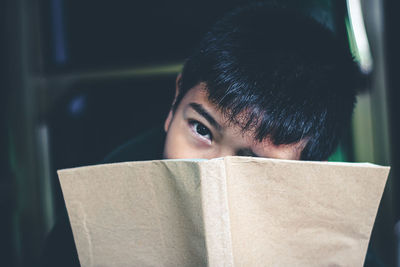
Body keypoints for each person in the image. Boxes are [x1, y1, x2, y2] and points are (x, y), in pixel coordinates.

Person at [41, 3, 367, 266]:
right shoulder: (96, 217)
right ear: (175, 103)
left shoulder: (332, 238)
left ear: (310, 178)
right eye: (201, 130)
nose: (212, 173)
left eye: (253, 161)